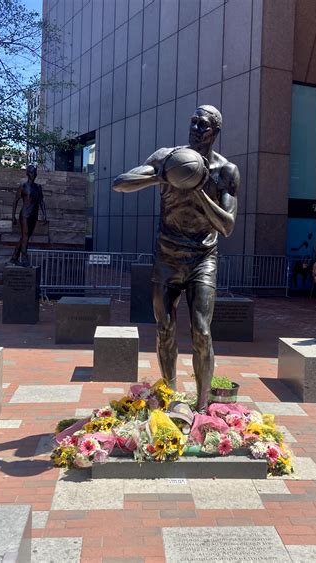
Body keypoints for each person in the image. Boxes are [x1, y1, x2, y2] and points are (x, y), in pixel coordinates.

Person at [113, 105, 240, 413]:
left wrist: (196, 190)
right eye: (193, 122)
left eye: (204, 125)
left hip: (202, 258)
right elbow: (120, 183)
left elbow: (227, 225)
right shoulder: (167, 158)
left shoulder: (226, 171)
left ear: (215, 132)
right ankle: (169, 395)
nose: (196, 129)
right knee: (165, 328)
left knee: (201, 330)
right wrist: (161, 177)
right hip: (167, 257)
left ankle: (201, 405)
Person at [10, 164, 47, 267]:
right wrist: (13, 216)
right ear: (27, 173)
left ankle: (14, 257)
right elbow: (15, 201)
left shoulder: (38, 187)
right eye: (31, 172)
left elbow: (41, 202)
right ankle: (25, 258)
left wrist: (45, 215)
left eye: (34, 172)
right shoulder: (23, 186)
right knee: (25, 237)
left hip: (33, 216)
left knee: (25, 237)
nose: (33, 174)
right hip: (25, 215)